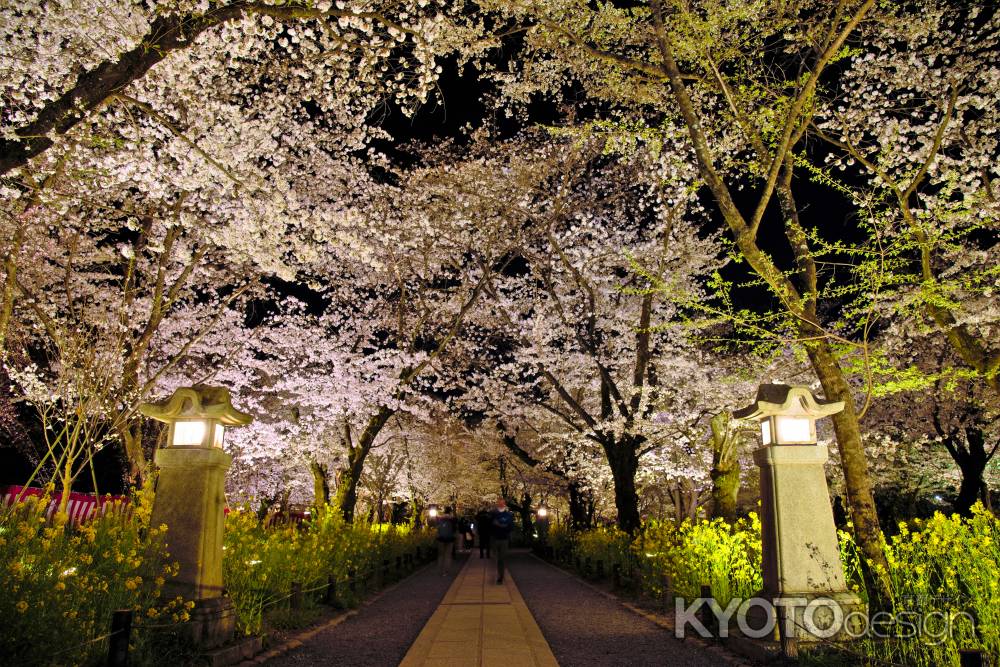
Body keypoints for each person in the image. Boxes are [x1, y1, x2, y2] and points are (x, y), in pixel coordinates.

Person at [491, 499, 514, 584]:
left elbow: (511, 527)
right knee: (496, 558)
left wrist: (500, 525)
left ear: (504, 504)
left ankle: (500, 577)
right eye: (499, 502)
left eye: (502, 503)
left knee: (502, 559)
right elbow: (490, 525)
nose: (501, 504)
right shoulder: (493, 514)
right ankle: (497, 575)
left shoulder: (508, 515)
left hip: (504, 539)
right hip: (495, 538)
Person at [435, 506, 457, 576]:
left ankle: (440, 571)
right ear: (450, 511)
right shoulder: (453, 519)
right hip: (450, 538)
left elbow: (437, 528)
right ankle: (446, 571)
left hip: (441, 538)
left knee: (441, 555)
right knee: (448, 555)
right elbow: (455, 529)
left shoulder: (440, 518)